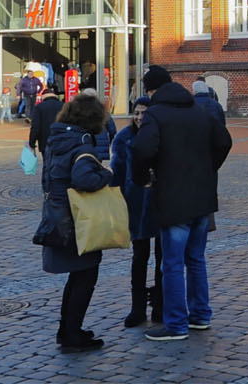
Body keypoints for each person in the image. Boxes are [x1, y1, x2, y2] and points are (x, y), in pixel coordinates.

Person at [132, 65, 233, 342]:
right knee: (196, 260)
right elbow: (224, 141)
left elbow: (142, 149)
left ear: (151, 90)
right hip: (202, 197)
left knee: (173, 263)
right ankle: (200, 315)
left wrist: (143, 177)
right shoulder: (200, 110)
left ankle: (176, 323)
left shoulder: (156, 114)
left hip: (173, 197)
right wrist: (209, 169)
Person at [39, 93, 116, 353]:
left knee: (76, 276)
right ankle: (72, 334)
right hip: (78, 221)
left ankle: (68, 329)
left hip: (58, 216)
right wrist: (105, 175)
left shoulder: (57, 140)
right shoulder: (82, 145)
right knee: (85, 276)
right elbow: (84, 179)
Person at [111, 96, 161, 328]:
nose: (139, 117)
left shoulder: (161, 135)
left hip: (161, 204)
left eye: (144, 113)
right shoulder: (124, 138)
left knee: (163, 257)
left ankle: (160, 304)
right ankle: (138, 307)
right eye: (137, 113)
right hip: (136, 204)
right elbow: (118, 172)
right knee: (140, 256)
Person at [29, 85, 64, 164]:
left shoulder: (39, 107)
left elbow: (35, 126)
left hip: (45, 140)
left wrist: (32, 142)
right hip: (61, 139)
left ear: (43, 97)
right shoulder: (63, 105)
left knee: (47, 164)